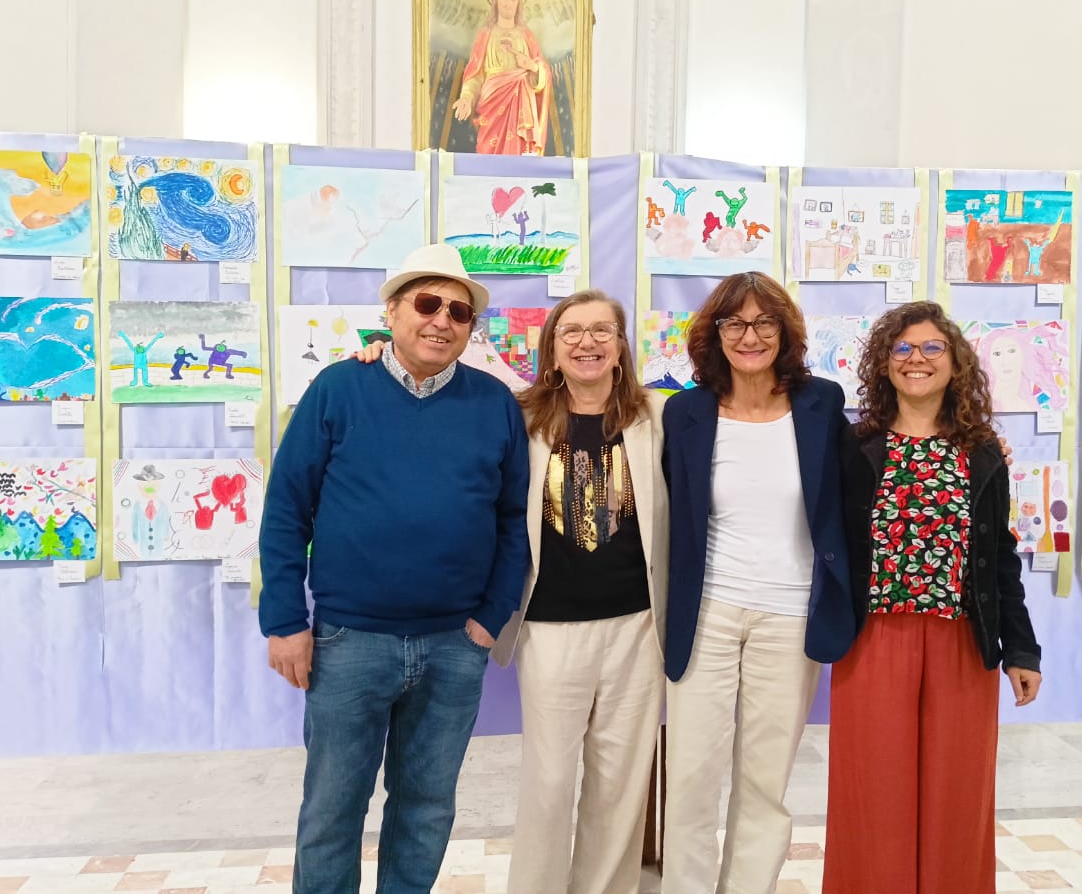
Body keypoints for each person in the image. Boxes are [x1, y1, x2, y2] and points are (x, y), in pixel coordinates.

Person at [350, 290, 668, 894]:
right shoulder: (517, 414)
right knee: (549, 782)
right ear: (552, 348)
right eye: (572, 331)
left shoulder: (659, 415)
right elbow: (433, 396)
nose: (587, 342)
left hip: (638, 625)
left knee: (621, 785)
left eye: (602, 330)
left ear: (621, 345)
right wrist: (378, 357)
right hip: (549, 626)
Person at [257, 242, 530, 893]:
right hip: (349, 640)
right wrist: (285, 620)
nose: (441, 320)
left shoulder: (494, 402)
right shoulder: (338, 388)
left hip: (455, 645)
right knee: (332, 809)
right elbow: (287, 507)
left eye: (458, 312)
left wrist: (490, 618)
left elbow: (514, 519)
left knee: (427, 808)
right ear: (392, 313)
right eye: (427, 304)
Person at [826, 300, 1042, 894]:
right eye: (902, 348)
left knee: (958, 794)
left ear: (955, 362)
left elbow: (1000, 555)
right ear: (883, 362)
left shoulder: (982, 451)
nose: (915, 359)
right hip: (872, 640)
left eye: (931, 348)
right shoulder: (854, 446)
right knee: (873, 791)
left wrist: (1022, 650)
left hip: (962, 641)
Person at [658, 271, 856, 893]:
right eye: (735, 323)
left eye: (764, 322)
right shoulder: (685, 412)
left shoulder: (822, 404)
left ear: (784, 330)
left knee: (765, 784)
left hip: (790, 617)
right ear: (714, 333)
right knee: (691, 778)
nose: (750, 336)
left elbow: (865, 477)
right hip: (708, 613)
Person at [451, 0, 552, 155]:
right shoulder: (485, 35)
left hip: (521, 104)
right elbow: (475, 74)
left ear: (519, 3)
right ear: (495, 0)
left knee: (519, 155)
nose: (508, 3)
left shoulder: (527, 36)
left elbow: (543, 73)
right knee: (489, 154)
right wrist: (467, 97)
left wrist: (532, 67)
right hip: (492, 104)